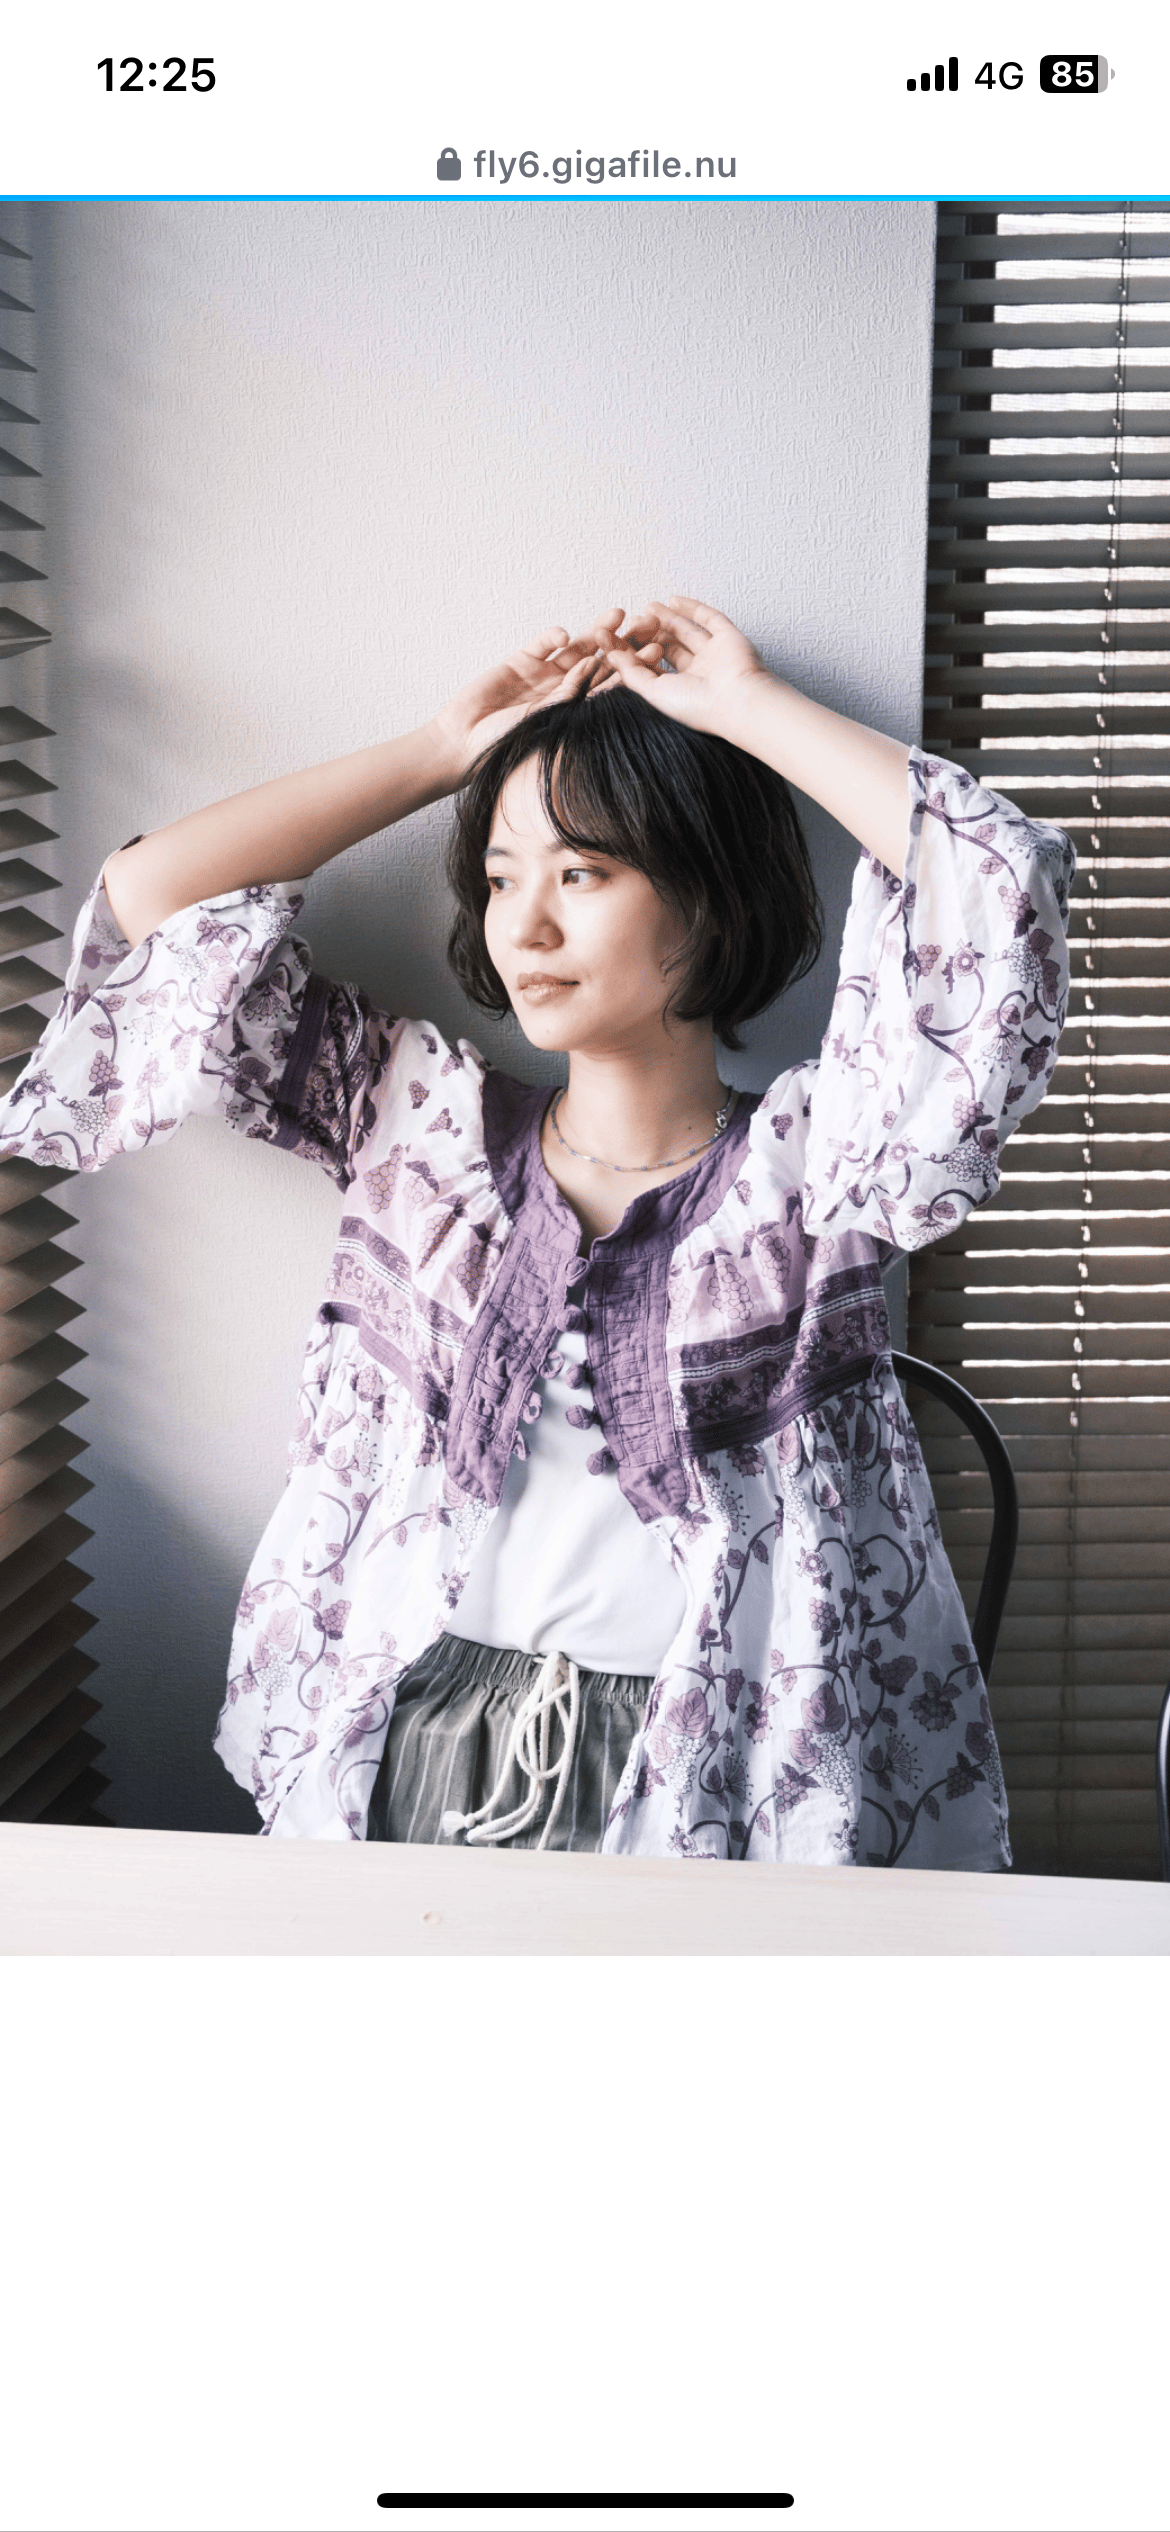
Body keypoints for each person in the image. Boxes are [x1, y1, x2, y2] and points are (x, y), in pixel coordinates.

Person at [0, 598, 1074, 1865]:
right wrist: (437, 754)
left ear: (707, 899)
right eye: (503, 876)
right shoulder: (410, 1117)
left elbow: (994, 884)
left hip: (720, 1775)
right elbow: (150, 901)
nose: (526, 925)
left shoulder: (820, 1166)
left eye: (584, 873)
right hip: (413, 1749)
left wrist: (747, 709)